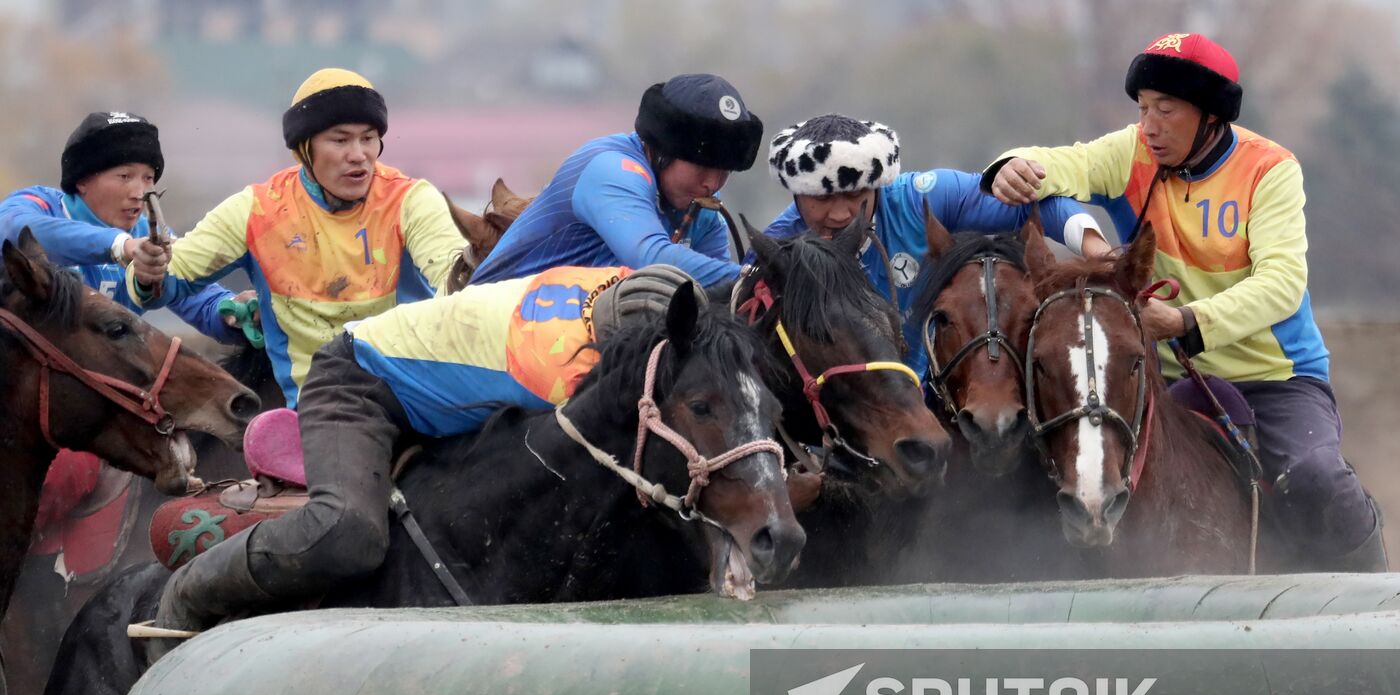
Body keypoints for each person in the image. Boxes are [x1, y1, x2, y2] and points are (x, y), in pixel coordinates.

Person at [983, 32, 1386, 570]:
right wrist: (1010, 165)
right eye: (1143, 108)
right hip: (1161, 378)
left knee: (1318, 478)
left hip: (1277, 379)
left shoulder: (1271, 169)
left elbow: (1283, 281)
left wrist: (1185, 320)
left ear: (1210, 117)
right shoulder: (1131, 152)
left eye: (1165, 110)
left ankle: (1377, 610)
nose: (1148, 125)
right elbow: (1060, 165)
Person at [151, 265, 704, 643]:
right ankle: (191, 591)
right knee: (347, 530)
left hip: (452, 406)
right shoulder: (552, 368)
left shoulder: (631, 289)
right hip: (360, 384)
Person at [127, 69, 465, 408]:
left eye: (368, 138)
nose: (359, 154)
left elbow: (456, 276)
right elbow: (164, 283)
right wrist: (147, 271)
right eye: (340, 139)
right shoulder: (256, 210)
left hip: (419, 398)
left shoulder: (413, 200)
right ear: (304, 149)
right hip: (324, 409)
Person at [763, 113, 1109, 377]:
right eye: (820, 199)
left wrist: (1098, 253)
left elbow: (1039, 206)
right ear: (796, 194)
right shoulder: (777, 244)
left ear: (878, 185)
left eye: (855, 195)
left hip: (936, 393)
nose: (839, 214)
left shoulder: (920, 198)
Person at [470, 73, 763, 290]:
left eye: (725, 170)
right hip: (486, 331)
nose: (712, 184)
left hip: (557, 339)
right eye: (702, 166)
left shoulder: (702, 210)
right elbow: (651, 259)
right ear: (662, 150)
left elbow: (722, 289)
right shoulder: (611, 169)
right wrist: (754, 278)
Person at [0, 111, 248, 342]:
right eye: (125, 177)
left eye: (148, 178)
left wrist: (236, 312)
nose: (140, 192)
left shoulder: (147, 236)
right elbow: (13, 232)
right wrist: (120, 245)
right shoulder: (39, 204)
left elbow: (200, 301)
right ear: (83, 181)